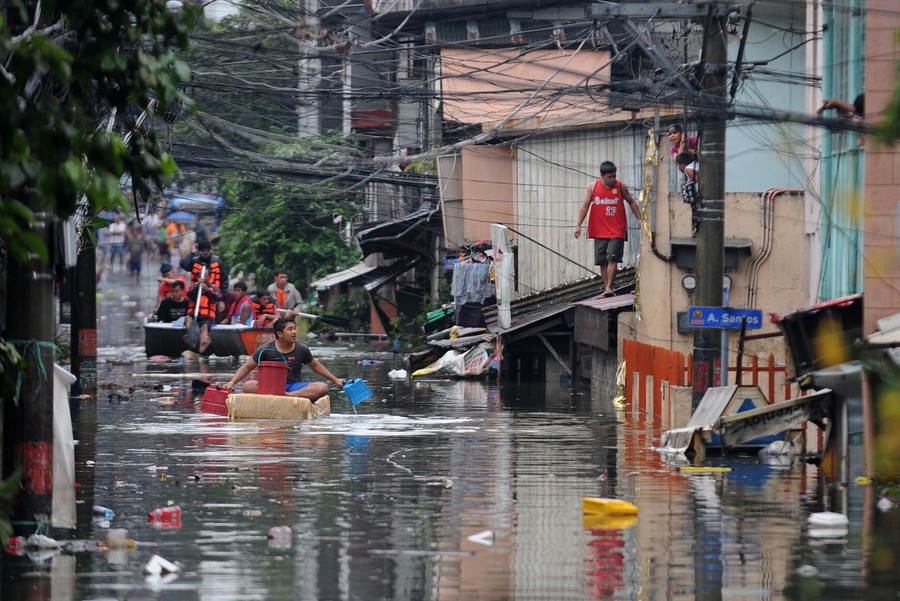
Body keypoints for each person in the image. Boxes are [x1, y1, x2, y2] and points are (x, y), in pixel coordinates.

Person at [223, 318, 345, 402]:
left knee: (323, 387)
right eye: (290, 329)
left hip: (294, 388)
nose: (294, 332)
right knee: (248, 385)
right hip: (271, 387)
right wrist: (231, 383)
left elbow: (316, 366)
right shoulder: (265, 349)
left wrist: (335, 379)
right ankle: (283, 395)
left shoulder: (302, 349)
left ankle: (287, 396)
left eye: (294, 329)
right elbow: (247, 367)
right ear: (280, 334)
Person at [574, 161, 642, 298]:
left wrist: (640, 219)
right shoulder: (593, 187)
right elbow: (585, 206)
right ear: (602, 176)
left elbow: (632, 202)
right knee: (602, 260)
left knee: (612, 258)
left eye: (614, 176)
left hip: (616, 229)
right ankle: (607, 288)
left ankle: (610, 287)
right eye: (609, 177)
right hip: (599, 230)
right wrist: (578, 225)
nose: (612, 179)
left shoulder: (620, 186)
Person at [184, 272, 222, 354]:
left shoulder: (214, 288)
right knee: (187, 318)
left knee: (204, 327)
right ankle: (191, 336)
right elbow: (189, 294)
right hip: (194, 314)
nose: (204, 278)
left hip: (207, 316)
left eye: (206, 276)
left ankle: (202, 347)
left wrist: (208, 290)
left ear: (210, 277)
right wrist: (198, 286)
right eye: (201, 276)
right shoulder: (195, 286)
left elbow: (218, 297)